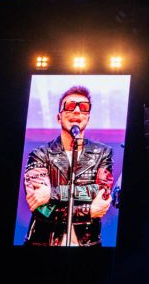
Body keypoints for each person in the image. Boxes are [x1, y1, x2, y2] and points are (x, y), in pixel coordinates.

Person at [23, 85, 114, 246]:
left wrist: (52, 193)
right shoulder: (40, 154)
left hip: (88, 244)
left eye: (83, 108)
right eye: (70, 106)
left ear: (88, 118)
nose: (77, 111)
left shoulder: (103, 153)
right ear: (59, 117)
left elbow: (101, 194)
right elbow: (41, 209)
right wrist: (88, 211)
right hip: (42, 245)